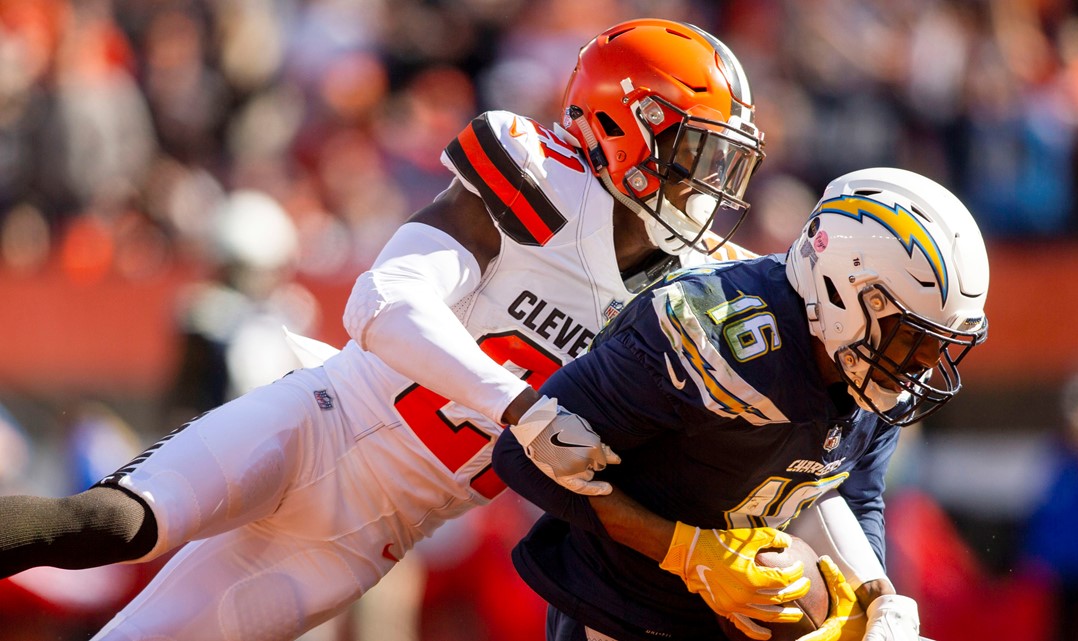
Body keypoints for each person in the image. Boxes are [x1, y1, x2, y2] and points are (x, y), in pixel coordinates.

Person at [0, 19, 782, 641]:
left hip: (369, 532)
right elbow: (383, 302)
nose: (707, 177)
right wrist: (516, 404)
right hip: (320, 419)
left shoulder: (696, 287)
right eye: (694, 148)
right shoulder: (539, 179)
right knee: (111, 523)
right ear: (624, 126)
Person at [492, 167, 991, 641]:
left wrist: (878, 597)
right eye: (913, 340)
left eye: (937, 345)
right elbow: (525, 458)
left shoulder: (867, 371)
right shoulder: (708, 333)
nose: (922, 366)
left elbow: (852, 490)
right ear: (848, 295)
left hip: (736, 612)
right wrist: (685, 551)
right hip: (625, 608)